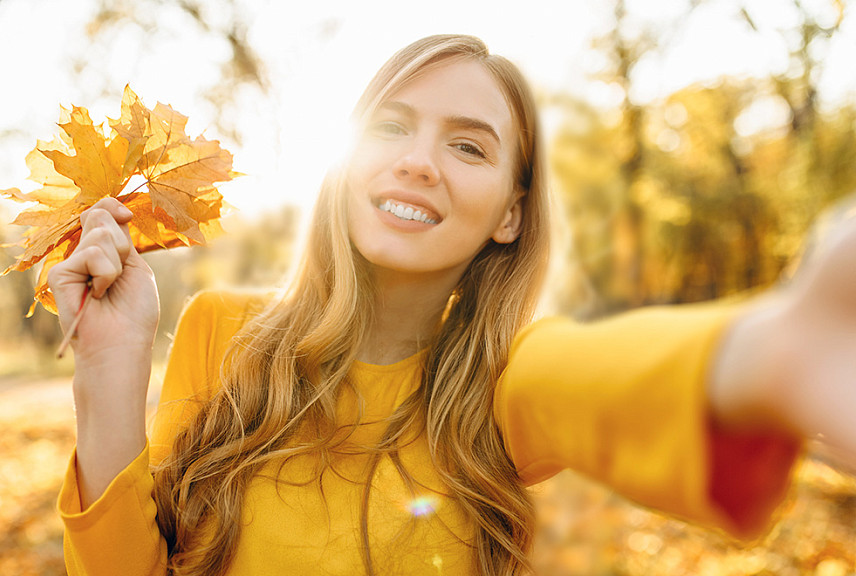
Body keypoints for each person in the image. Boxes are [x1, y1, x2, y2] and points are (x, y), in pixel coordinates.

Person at [49, 34, 856, 576]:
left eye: (468, 145)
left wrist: (769, 354)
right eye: (392, 127)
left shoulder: (503, 386)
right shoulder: (220, 331)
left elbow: (597, 375)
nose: (418, 162)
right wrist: (109, 366)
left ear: (511, 212)